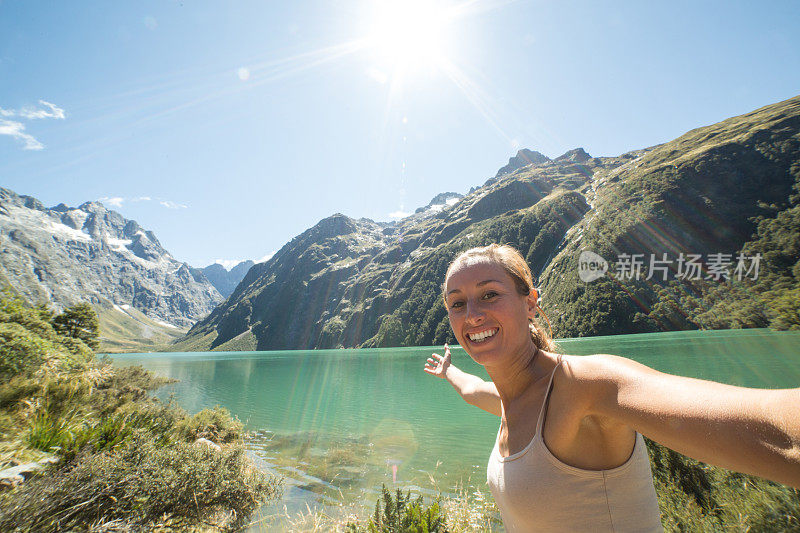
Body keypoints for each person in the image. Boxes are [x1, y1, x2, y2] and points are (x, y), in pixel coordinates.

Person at [423, 243, 800, 532]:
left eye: (489, 294)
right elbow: (473, 389)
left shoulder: (585, 385)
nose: (472, 313)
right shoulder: (509, 402)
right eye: (457, 303)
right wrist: (448, 372)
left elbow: (778, 432)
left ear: (530, 303)